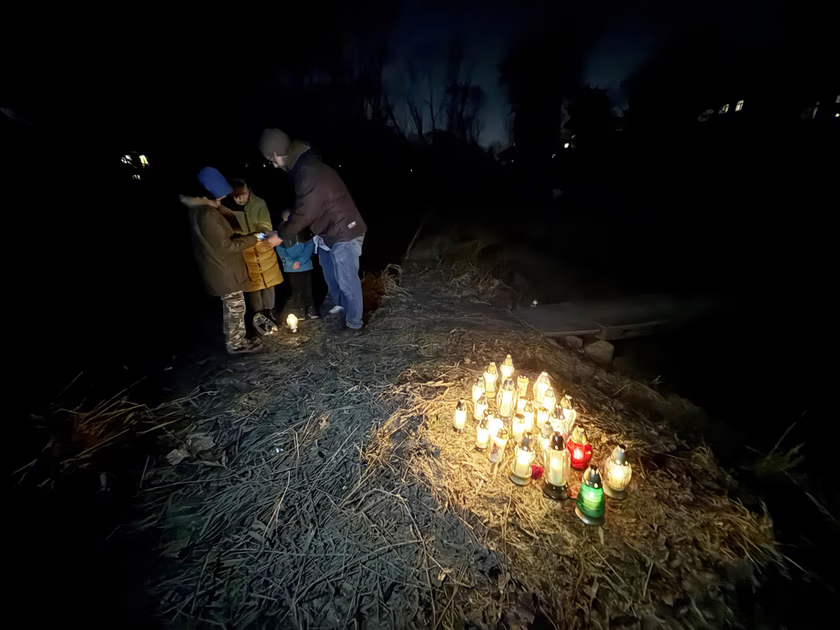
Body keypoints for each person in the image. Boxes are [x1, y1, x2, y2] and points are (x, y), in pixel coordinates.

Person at [259, 128, 367, 338]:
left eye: (271, 160)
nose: (273, 165)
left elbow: (305, 213)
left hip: (344, 231)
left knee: (347, 280)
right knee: (332, 277)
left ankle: (355, 324)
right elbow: (308, 209)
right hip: (329, 233)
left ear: (276, 154)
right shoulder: (304, 168)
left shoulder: (308, 171)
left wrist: (280, 235)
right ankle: (341, 309)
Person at [181, 167, 279, 354]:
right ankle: (236, 343)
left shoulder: (201, 209)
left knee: (234, 307)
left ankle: (236, 338)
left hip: (220, 266)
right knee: (235, 307)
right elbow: (227, 245)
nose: (221, 199)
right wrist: (254, 237)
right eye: (219, 196)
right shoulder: (207, 215)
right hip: (223, 269)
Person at [228, 179, 284, 336]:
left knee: (269, 284)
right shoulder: (229, 210)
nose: (241, 199)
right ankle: (258, 316)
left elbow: (265, 226)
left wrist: (262, 235)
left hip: (264, 250)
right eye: (236, 196)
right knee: (254, 287)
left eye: (244, 194)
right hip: (245, 253)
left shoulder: (258, 203)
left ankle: (270, 312)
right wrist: (245, 240)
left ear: (249, 190)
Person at [276, 209, 318, 320]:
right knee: (296, 290)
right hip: (291, 268)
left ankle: (311, 310)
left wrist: (300, 261)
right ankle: (300, 311)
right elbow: (280, 249)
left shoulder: (303, 230)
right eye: (285, 220)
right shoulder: (281, 233)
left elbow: (310, 245)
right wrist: (291, 262)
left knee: (308, 289)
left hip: (305, 266)